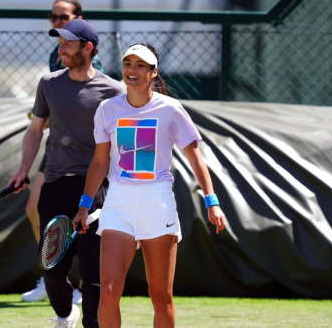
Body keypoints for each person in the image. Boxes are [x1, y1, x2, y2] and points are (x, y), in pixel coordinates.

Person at [73, 43, 227, 327]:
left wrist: (212, 201)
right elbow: (99, 162)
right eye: (128, 63)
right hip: (118, 202)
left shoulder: (170, 109)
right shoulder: (107, 110)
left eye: (141, 65)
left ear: (154, 72)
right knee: (107, 292)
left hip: (157, 202)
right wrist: (84, 205)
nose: (132, 70)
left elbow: (196, 159)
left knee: (160, 296)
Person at [9, 19, 123, 328]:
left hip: (97, 190)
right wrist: (23, 169)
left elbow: (122, 143)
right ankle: (64, 314)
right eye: (60, 43)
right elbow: (36, 131)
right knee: (52, 268)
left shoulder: (113, 91)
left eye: (68, 44)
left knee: (93, 271)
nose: (61, 49)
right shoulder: (48, 83)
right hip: (56, 185)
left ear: (88, 48)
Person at [21, 0, 104, 304]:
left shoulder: (101, 77)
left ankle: (81, 286)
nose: (58, 22)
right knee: (34, 209)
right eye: (53, 17)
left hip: (91, 161)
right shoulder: (55, 61)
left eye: (64, 17)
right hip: (58, 152)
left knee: (89, 239)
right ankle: (53, 276)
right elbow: (40, 120)